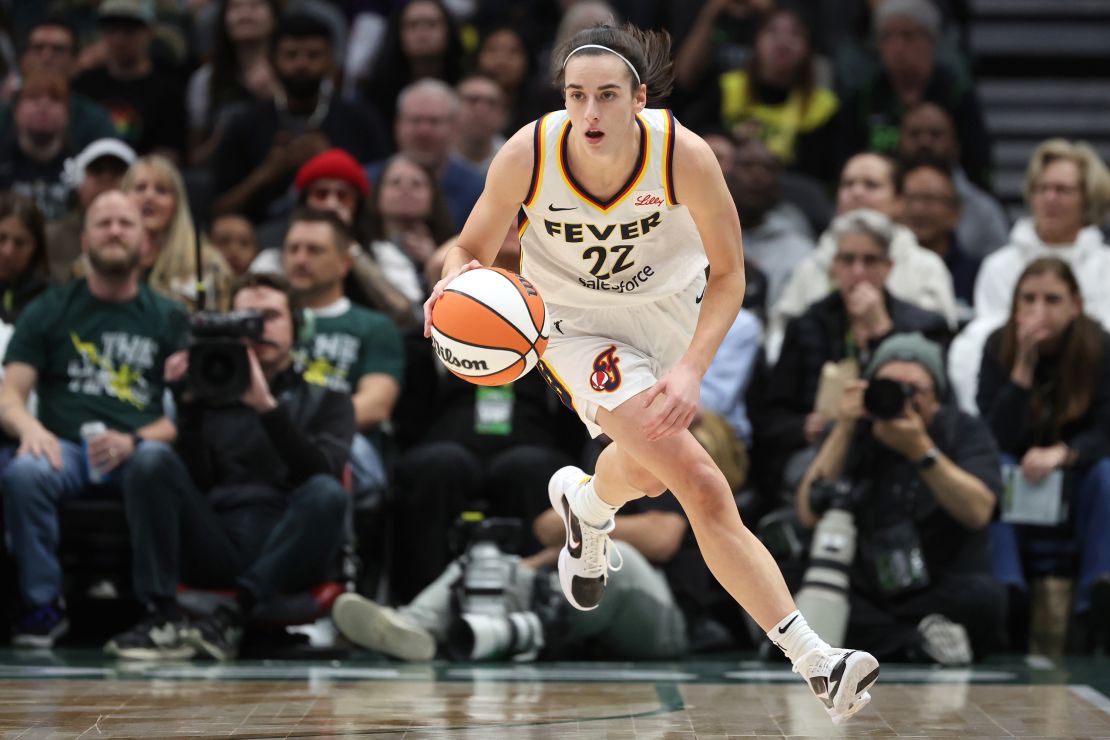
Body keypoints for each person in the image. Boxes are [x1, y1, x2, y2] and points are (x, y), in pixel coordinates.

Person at [422, 23, 879, 724]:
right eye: (577, 96)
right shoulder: (530, 152)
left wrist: (693, 368)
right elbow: (471, 249)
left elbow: (730, 277)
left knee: (653, 474)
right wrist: (450, 290)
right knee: (699, 480)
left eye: (608, 95)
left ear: (639, 97)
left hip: (668, 322)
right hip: (575, 330)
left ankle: (588, 506)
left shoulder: (683, 156)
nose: (591, 113)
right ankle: (817, 660)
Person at [104, 272, 354, 660]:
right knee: (151, 458)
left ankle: (234, 614)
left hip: (289, 548)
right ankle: (160, 616)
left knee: (327, 492)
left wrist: (266, 406)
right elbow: (195, 478)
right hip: (216, 540)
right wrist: (185, 405)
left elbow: (321, 472)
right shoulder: (208, 392)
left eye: (269, 316)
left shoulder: (329, 399)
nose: (257, 329)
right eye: (246, 319)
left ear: (297, 325)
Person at [0, 190, 184, 647]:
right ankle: (42, 606)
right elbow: (9, 395)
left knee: (154, 463)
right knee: (24, 470)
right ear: (84, 240)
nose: (114, 231)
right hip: (66, 447)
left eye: (125, 223)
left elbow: (187, 419)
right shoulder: (50, 309)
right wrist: (31, 429)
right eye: (104, 223)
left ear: (145, 242)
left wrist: (135, 439)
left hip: (138, 447)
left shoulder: (170, 317)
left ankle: (156, 607)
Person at [796, 332, 1006, 665]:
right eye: (889, 386)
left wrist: (921, 450)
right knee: (793, 582)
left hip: (935, 581)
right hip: (862, 584)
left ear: (936, 397)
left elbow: (979, 511)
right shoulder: (854, 428)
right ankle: (915, 642)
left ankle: (878, 642)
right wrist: (844, 428)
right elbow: (808, 511)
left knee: (987, 599)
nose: (899, 399)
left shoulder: (962, 430)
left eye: (914, 391)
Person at [756, 209, 950, 499]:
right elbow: (769, 417)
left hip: (900, 446)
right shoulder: (806, 324)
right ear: (834, 267)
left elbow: (943, 408)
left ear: (888, 267)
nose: (858, 272)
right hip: (823, 448)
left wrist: (882, 331)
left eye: (870, 260)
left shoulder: (926, 326)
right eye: (848, 260)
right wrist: (803, 427)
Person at [977, 258, 1110, 654]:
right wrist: (1022, 368)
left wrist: (1065, 453)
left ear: (1076, 304)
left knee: (1109, 475)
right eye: (1028, 299)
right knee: (993, 471)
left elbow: (1107, 429)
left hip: (1079, 470)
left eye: (1052, 299)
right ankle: (1008, 591)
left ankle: (1098, 594)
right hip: (1019, 469)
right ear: (1014, 306)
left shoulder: (1099, 346)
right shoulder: (997, 345)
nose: (1039, 310)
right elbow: (993, 436)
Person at [947, 139, 1110, 412]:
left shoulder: (1106, 264)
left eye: (1063, 190)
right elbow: (982, 342)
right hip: (1015, 394)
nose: (1050, 198)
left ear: (1088, 197)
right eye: (1041, 188)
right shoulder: (999, 265)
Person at [768, 152, 958, 363]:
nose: (856, 192)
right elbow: (779, 339)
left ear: (899, 201)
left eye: (871, 185)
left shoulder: (926, 267)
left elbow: (937, 345)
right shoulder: (809, 266)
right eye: (848, 184)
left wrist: (882, 325)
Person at [281, 207, 404, 501]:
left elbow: (376, 404)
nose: (300, 259)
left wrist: (293, 432)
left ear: (344, 263)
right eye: (293, 249)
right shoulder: (269, 320)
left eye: (315, 250)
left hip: (344, 444)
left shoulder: (374, 325)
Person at [716, 8, 839, 184]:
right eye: (772, 31)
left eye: (795, 34)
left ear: (809, 48)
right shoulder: (727, 87)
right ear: (756, 40)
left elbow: (817, 174)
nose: (783, 42)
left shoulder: (823, 107)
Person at [73, 0, 186, 160]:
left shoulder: (168, 90)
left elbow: (168, 154)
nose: (119, 39)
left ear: (149, 32)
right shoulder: (84, 83)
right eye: (111, 30)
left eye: (129, 30)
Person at [896, 102, 1009, 259]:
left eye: (935, 134)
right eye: (915, 134)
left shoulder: (984, 212)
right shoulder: (881, 200)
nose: (925, 142)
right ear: (899, 144)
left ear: (956, 145)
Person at [120, 154, 234, 310]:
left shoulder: (207, 263)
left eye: (161, 190)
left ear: (176, 204)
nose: (149, 196)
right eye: (140, 188)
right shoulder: (101, 259)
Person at [185, 0, 280, 166]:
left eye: (255, 6)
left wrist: (277, 98)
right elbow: (194, 159)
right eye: (236, 7)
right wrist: (224, 136)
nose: (245, 14)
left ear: (274, 17)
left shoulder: (291, 74)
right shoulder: (206, 80)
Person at [898, 159, 979, 319]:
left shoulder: (978, 274)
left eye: (929, 199)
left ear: (955, 212)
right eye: (911, 198)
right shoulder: (884, 267)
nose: (918, 209)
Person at [46, 137, 136, 282]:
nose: (107, 177)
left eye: (118, 171)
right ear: (78, 181)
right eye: (97, 170)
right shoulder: (50, 237)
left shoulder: (148, 237)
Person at [0, 192, 51, 325]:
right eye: (1, 238)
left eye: (20, 243)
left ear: (35, 248)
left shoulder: (50, 301)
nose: (7, 252)